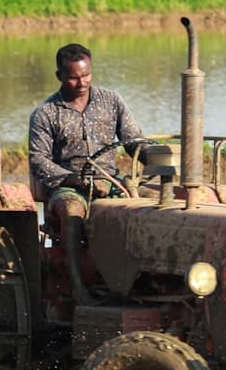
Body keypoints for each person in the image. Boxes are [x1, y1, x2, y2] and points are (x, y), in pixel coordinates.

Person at [28, 43, 143, 301]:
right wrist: (75, 180)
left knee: (144, 207)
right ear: (59, 76)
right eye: (74, 77)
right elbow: (39, 160)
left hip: (111, 181)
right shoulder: (46, 113)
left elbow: (133, 140)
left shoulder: (111, 101)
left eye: (86, 75)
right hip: (68, 187)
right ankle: (79, 288)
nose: (82, 82)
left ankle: (134, 284)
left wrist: (157, 157)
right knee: (72, 212)